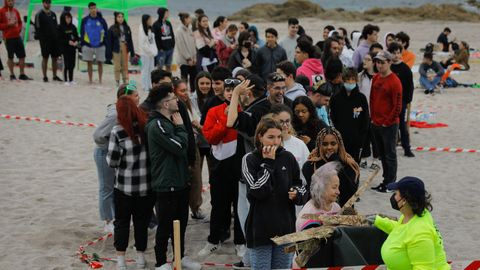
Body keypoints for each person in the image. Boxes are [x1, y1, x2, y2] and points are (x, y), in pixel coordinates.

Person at [145, 83, 201, 270]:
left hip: (180, 180)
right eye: (172, 99)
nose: (177, 101)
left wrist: (179, 129)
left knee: (182, 223)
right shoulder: (157, 124)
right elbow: (179, 147)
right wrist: (181, 128)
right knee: (165, 225)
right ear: (164, 104)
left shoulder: (170, 121)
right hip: (166, 182)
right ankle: (161, 261)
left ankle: (180, 256)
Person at [242, 118, 306, 270]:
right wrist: (268, 164)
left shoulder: (288, 157)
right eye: (271, 137)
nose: (275, 142)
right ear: (260, 137)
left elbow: (301, 185)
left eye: (279, 137)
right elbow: (257, 191)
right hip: (260, 231)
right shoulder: (250, 160)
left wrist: (297, 194)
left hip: (285, 230)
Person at [226, 76, 270, 269]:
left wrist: (235, 95)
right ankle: (251, 258)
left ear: (248, 92)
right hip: (262, 171)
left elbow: (231, 121)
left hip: (252, 173)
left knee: (248, 217)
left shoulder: (255, 111)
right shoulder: (267, 106)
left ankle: (252, 259)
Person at [199, 78, 246, 258]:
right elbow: (211, 138)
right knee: (218, 205)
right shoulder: (213, 111)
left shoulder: (246, 111)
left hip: (240, 166)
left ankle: (240, 242)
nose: (229, 92)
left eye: (233, 89)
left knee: (240, 205)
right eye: (227, 89)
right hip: (219, 167)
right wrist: (226, 118)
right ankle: (213, 240)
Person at [106, 95, 154, 270]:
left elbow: (112, 161)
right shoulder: (146, 127)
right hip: (146, 186)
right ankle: (141, 258)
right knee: (142, 222)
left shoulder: (117, 131)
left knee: (122, 222)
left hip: (124, 187)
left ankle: (121, 261)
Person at [371, 176, 450, 270]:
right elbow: (402, 230)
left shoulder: (420, 233)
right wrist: (379, 221)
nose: (393, 197)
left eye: (396, 193)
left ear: (404, 200)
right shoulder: (413, 214)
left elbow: (423, 268)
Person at [93, 83, 141, 234]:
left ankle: (115, 217)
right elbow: (98, 135)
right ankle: (108, 221)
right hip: (104, 152)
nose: (139, 98)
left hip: (116, 153)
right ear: (126, 98)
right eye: (136, 95)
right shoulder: (115, 115)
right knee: (106, 188)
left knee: (116, 187)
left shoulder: (130, 111)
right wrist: (112, 145)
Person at [172, 77, 205, 221]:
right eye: (182, 90)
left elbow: (196, 121)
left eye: (187, 90)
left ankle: (196, 208)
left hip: (194, 145)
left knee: (197, 180)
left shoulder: (189, 104)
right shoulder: (175, 107)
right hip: (182, 147)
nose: (185, 93)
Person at [370, 51, 402, 193]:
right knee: (382, 154)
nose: (379, 65)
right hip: (376, 122)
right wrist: (373, 117)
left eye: (382, 62)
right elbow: (372, 98)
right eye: (377, 62)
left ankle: (391, 182)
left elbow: (397, 106)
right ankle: (385, 180)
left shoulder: (394, 81)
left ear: (389, 62)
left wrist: (387, 122)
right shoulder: (376, 78)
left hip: (388, 124)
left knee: (390, 154)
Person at [302, 127, 359, 207]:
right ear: (319, 145)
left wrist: (337, 163)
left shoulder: (349, 165)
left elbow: (351, 194)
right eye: (325, 144)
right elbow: (308, 195)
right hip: (318, 213)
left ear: (339, 144)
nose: (329, 147)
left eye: (333, 143)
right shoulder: (310, 165)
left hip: (343, 213)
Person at [329, 68, 369, 163]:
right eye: (348, 80)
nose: (350, 82)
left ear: (356, 80)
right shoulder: (336, 98)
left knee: (354, 167)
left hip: (356, 141)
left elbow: (365, 120)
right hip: (340, 140)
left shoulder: (361, 98)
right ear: (343, 80)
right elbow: (333, 118)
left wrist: (361, 140)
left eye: (352, 80)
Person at [269, 104, 310, 187]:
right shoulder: (267, 143)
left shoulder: (300, 144)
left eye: (287, 121)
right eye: (281, 122)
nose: (285, 125)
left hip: (297, 191)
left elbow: (308, 171)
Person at [296, 161, 341, 231]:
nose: (338, 192)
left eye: (338, 187)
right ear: (321, 187)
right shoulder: (308, 213)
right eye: (334, 187)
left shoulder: (337, 208)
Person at [388, 42, 415, 157]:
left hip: (401, 101)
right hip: (388, 101)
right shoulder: (388, 67)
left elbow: (410, 86)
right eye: (393, 53)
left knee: (402, 126)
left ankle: (406, 148)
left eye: (398, 53)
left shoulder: (405, 69)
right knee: (388, 125)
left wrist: (407, 100)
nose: (396, 55)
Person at [358, 52, 380, 168]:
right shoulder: (360, 76)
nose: (364, 62)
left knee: (374, 136)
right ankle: (365, 158)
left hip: (376, 111)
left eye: (368, 59)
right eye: (364, 59)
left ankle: (376, 159)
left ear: (373, 62)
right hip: (363, 110)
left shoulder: (378, 77)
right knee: (364, 135)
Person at [0, 0, 32, 81]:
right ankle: (12, 74)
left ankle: (22, 74)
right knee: (10, 56)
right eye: (9, 1)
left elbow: (20, 22)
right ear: (6, 2)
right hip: (8, 37)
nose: (11, 2)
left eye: (12, 1)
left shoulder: (15, 11)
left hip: (17, 36)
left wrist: (19, 29)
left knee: (22, 56)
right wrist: (8, 24)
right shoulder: (1, 11)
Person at [80, 2, 108, 84]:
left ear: (97, 9)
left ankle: (100, 80)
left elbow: (106, 32)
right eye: (91, 8)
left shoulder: (102, 20)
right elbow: (82, 32)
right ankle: (90, 80)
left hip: (100, 44)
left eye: (94, 8)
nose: (93, 10)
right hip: (88, 45)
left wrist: (104, 43)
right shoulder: (85, 20)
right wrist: (83, 43)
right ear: (89, 9)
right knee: (89, 62)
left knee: (100, 63)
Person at [35, 0, 62, 82]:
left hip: (54, 40)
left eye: (49, 2)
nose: (48, 4)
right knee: (45, 58)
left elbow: (56, 26)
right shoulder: (39, 14)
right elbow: (37, 27)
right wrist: (41, 38)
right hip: (45, 40)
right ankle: (45, 76)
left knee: (55, 58)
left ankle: (54, 76)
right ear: (43, 3)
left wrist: (57, 37)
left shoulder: (53, 14)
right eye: (46, 2)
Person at [106, 11, 134, 86]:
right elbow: (109, 41)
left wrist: (132, 51)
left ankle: (125, 79)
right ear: (116, 18)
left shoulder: (127, 27)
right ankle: (117, 80)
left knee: (125, 64)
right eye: (119, 17)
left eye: (122, 17)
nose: (121, 18)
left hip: (125, 46)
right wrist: (109, 53)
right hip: (116, 48)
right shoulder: (112, 28)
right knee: (117, 65)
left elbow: (130, 39)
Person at [175, 12, 197, 92]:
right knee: (184, 79)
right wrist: (188, 58)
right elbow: (181, 46)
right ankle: (183, 93)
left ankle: (193, 93)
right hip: (184, 60)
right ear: (185, 19)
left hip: (193, 59)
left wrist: (194, 57)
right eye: (189, 18)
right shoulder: (179, 31)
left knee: (193, 78)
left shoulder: (190, 29)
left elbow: (193, 44)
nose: (190, 20)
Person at [138, 14, 158, 92]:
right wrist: (150, 52)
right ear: (145, 20)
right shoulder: (142, 29)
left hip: (151, 53)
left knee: (151, 70)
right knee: (145, 70)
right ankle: (144, 86)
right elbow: (143, 44)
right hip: (145, 54)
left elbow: (152, 41)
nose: (151, 21)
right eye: (149, 20)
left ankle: (150, 85)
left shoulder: (150, 28)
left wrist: (154, 51)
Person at [58, 11, 78, 85]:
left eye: (69, 17)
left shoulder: (73, 27)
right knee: (66, 64)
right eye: (66, 18)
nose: (68, 19)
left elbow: (77, 37)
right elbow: (59, 39)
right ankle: (66, 80)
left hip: (72, 49)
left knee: (72, 65)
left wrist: (76, 42)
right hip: (64, 49)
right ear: (63, 18)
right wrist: (67, 42)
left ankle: (71, 79)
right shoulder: (60, 27)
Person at [152, 7, 175, 72]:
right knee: (160, 66)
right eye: (166, 13)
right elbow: (155, 38)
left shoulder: (168, 23)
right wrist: (159, 48)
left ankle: (168, 80)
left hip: (170, 48)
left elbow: (172, 34)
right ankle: (159, 80)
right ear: (162, 14)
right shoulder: (156, 24)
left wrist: (173, 45)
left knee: (169, 66)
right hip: (161, 50)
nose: (168, 14)